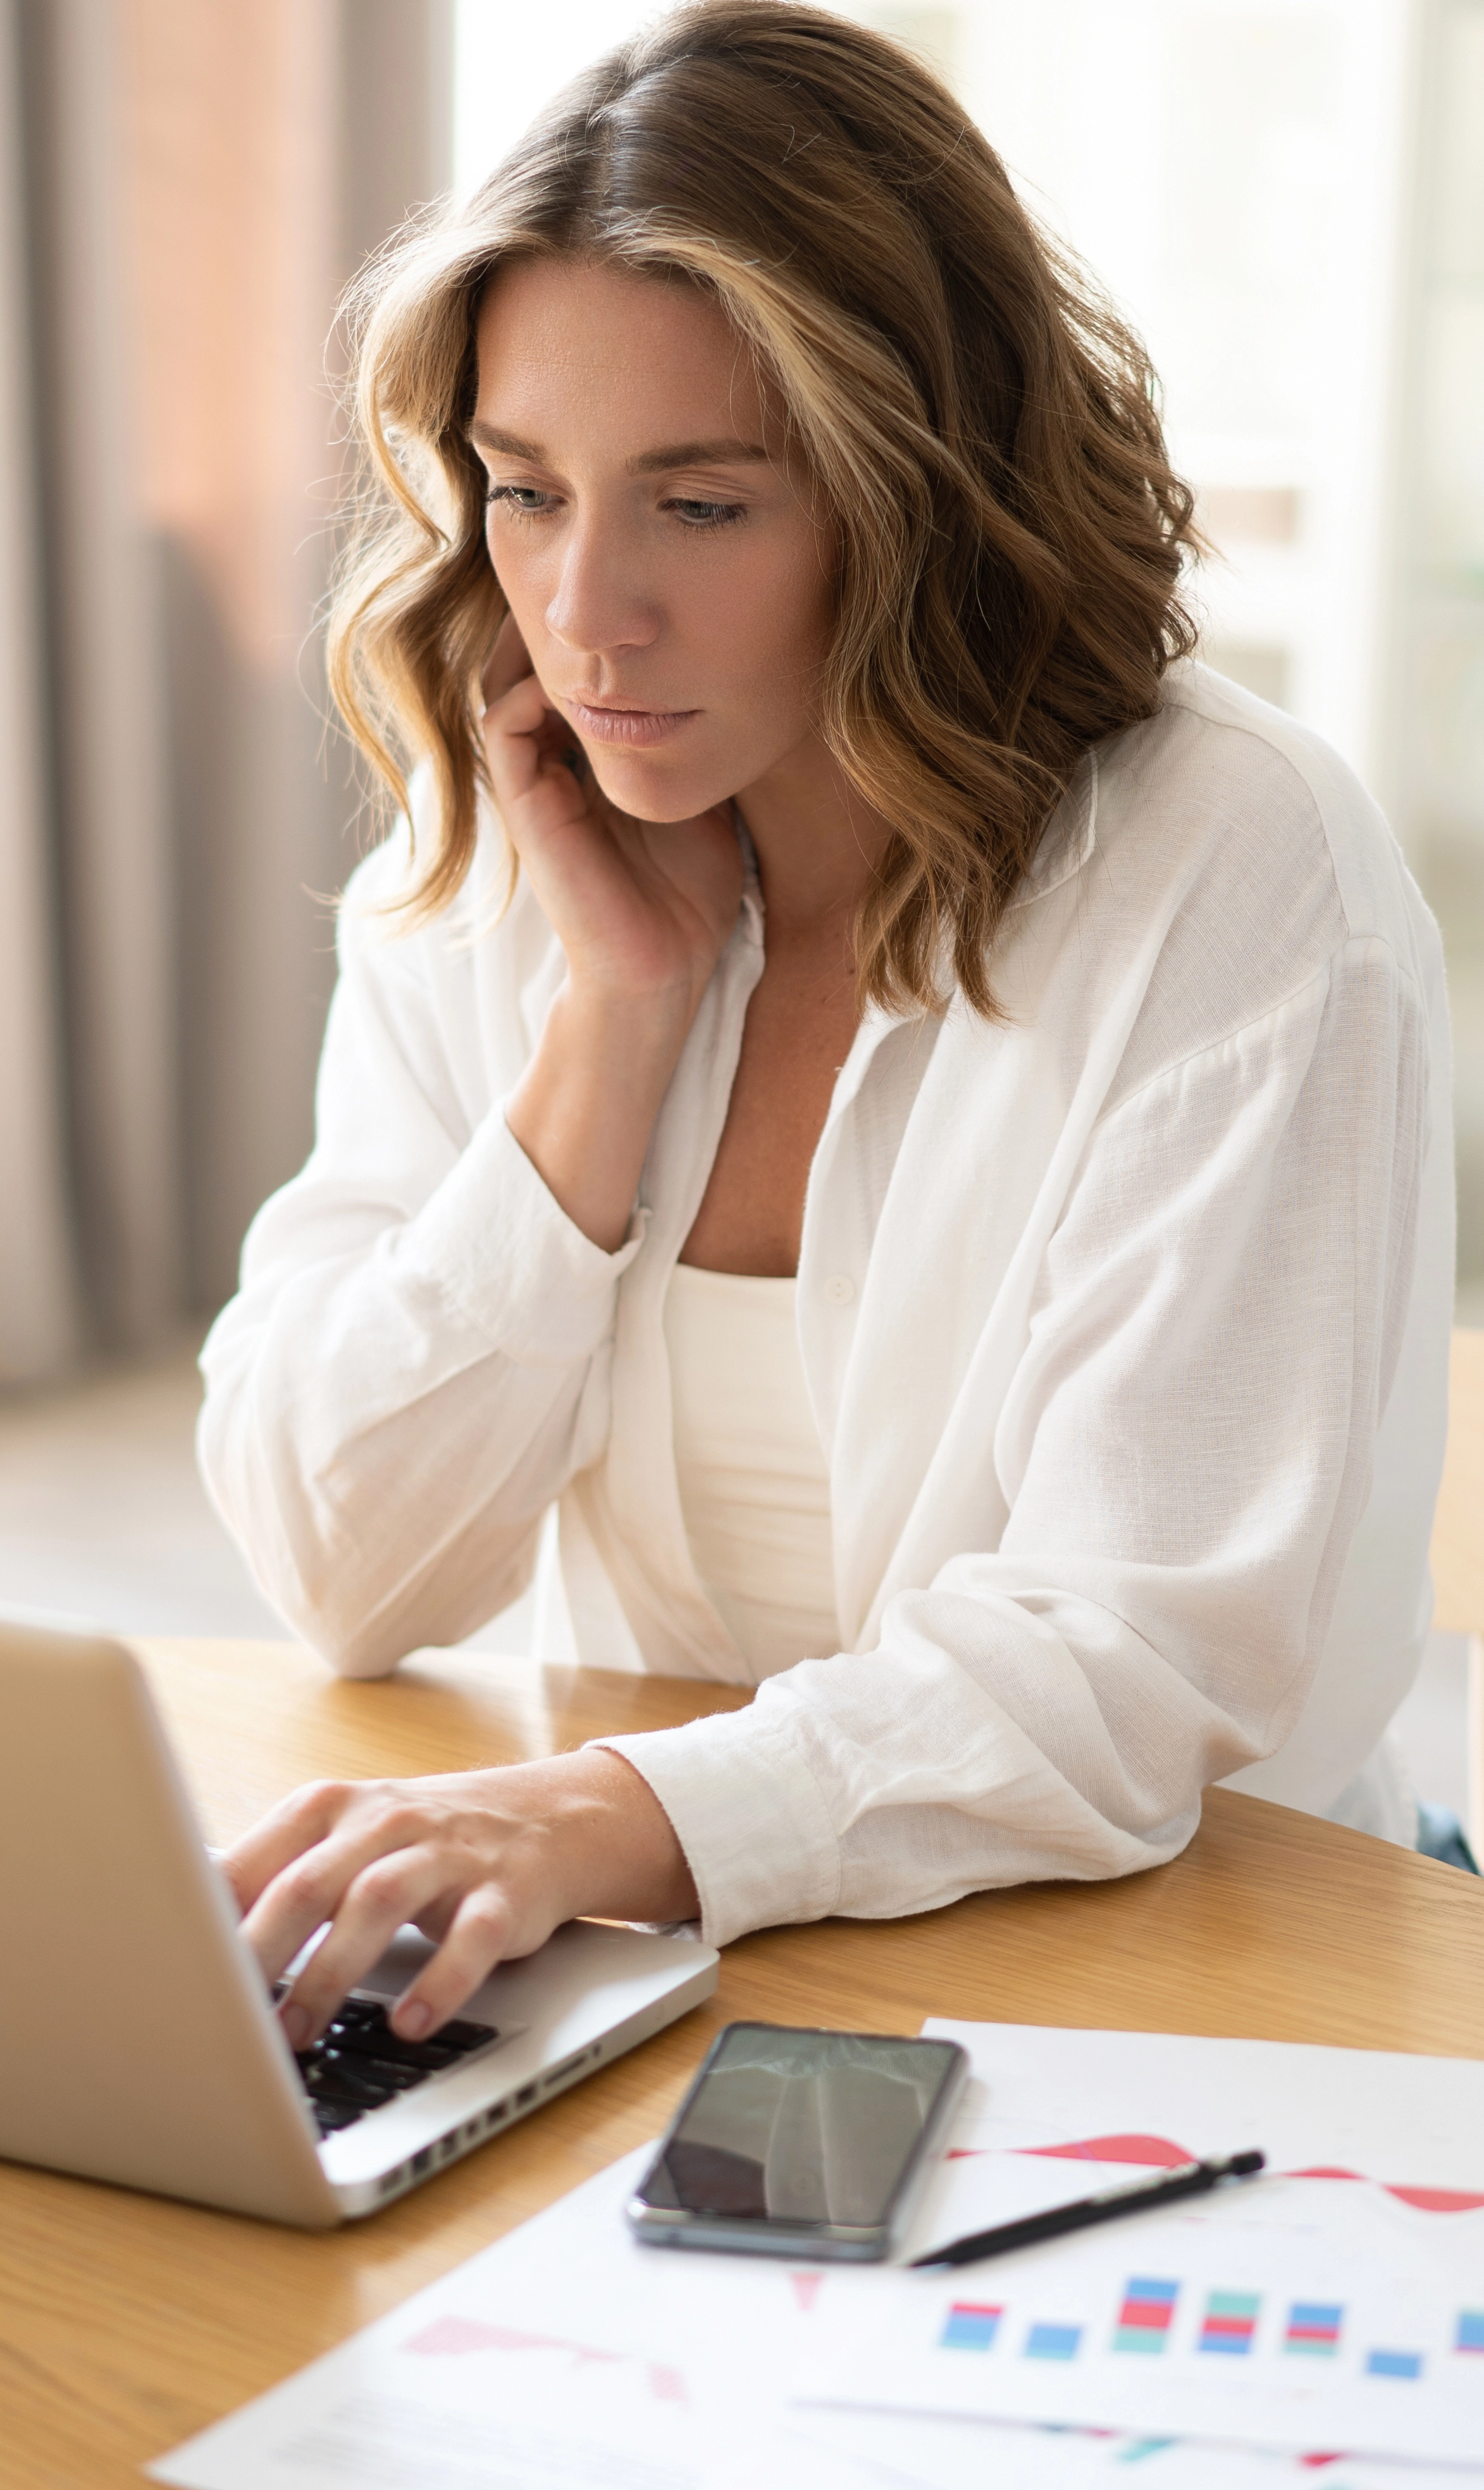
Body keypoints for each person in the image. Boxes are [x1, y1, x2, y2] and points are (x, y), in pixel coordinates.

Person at [197, 1, 1453, 2055]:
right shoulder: (517, 827)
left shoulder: (1236, 868)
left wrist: (603, 1816)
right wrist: (614, 1028)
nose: (587, 614)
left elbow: (1139, 1662)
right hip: (673, 1974)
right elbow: (343, 1561)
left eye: (703, 506)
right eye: (524, 491)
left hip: (1181, 1995)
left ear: (922, 492)